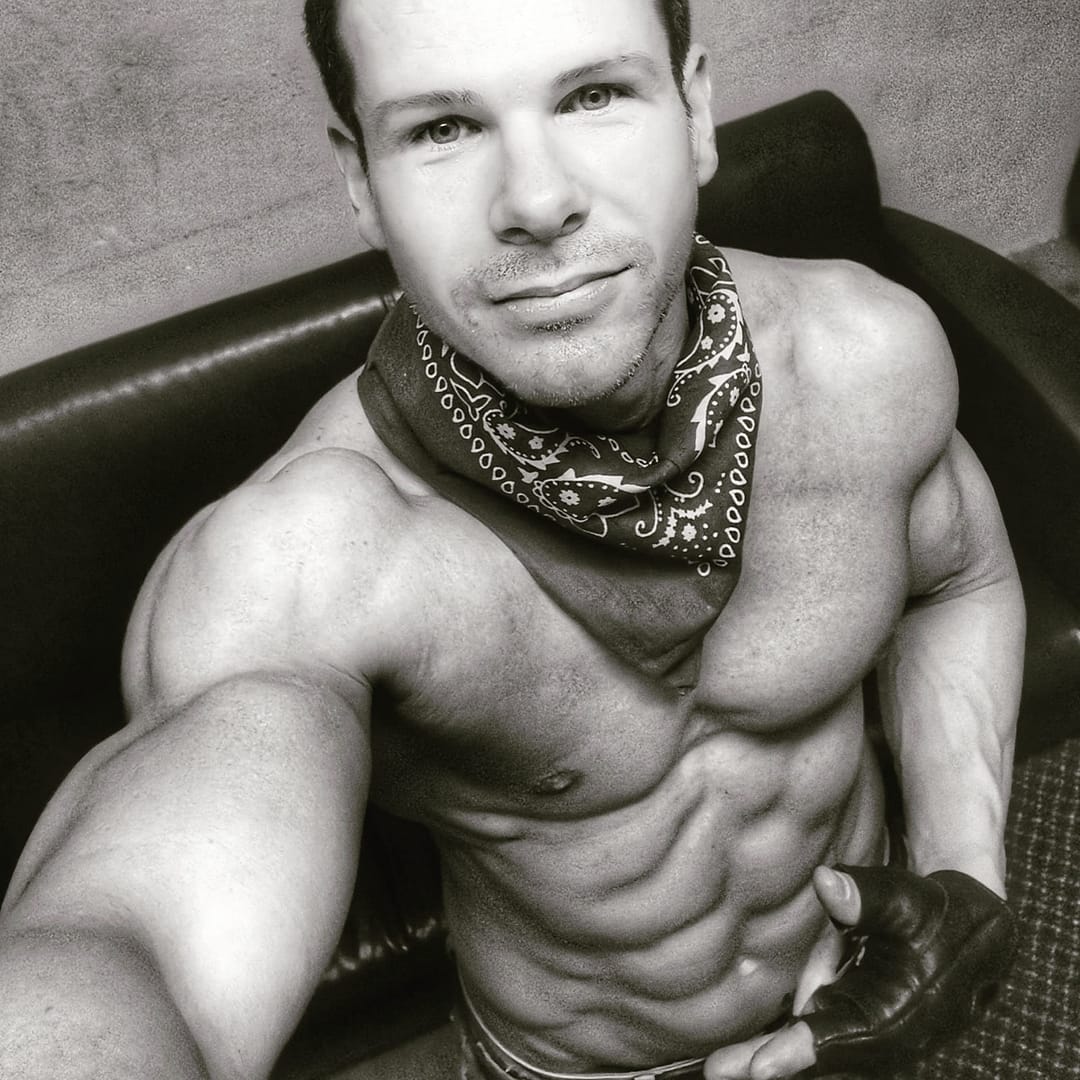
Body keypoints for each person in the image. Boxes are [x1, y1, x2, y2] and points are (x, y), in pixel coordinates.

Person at [0, 1, 1024, 1078]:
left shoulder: (865, 359)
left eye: (595, 95)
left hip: (857, 978)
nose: (536, 201)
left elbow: (959, 579)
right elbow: (135, 944)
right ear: (362, 181)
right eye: (441, 128)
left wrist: (960, 874)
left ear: (695, 113)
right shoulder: (307, 563)